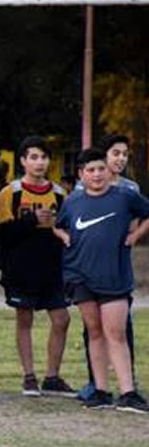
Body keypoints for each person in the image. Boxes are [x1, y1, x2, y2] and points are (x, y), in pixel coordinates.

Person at [53, 147, 149, 413]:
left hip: (114, 276)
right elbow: (59, 225)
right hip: (79, 275)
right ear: (82, 175)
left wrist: (135, 236)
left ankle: (128, 393)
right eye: (90, 170)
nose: (96, 175)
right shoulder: (73, 201)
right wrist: (63, 236)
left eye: (100, 169)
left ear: (109, 171)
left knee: (115, 333)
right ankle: (101, 391)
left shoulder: (125, 197)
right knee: (94, 331)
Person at [0, 137, 75, 398]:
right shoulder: (11, 193)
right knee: (24, 318)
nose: (40, 163)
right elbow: (2, 234)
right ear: (23, 161)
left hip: (52, 268)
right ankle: (29, 376)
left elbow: (66, 228)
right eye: (34, 157)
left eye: (44, 157)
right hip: (22, 268)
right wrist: (31, 220)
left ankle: (52, 376)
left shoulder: (61, 194)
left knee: (62, 319)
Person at [73, 134, 141, 401]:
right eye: (116, 153)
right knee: (93, 328)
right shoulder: (83, 190)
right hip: (88, 270)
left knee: (121, 327)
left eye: (125, 154)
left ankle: (128, 383)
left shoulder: (129, 190)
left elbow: (134, 222)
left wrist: (131, 237)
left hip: (116, 268)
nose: (121, 159)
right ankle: (96, 383)